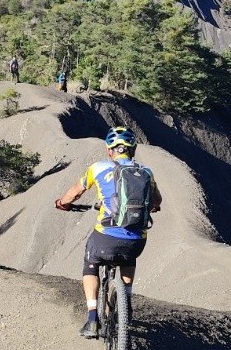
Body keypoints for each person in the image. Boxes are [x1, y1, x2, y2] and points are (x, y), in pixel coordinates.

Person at [55, 127, 161, 338]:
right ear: (133, 149)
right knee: (128, 257)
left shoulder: (97, 168)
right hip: (136, 241)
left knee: (91, 263)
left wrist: (62, 203)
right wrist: (151, 206)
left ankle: (93, 318)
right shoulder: (146, 172)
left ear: (109, 150)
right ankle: (127, 302)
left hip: (106, 238)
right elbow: (156, 201)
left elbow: (74, 193)